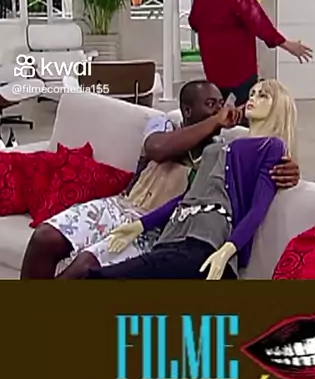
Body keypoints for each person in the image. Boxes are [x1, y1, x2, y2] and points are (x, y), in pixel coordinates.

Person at [20, 80, 300, 279]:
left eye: (220, 104)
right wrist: (215, 122)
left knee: (85, 267)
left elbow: (260, 156)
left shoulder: (222, 146)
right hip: (119, 206)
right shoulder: (164, 125)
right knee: (45, 237)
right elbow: (158, 149)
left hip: (159, 229)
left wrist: (288, 167)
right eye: (210, 104)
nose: (219, 110)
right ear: (187, 111)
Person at [189, 0, 313, 106]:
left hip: (213, 66)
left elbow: (194, 22)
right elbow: (259, 23)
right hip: (240, 68)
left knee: (218, 110)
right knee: (243, 111)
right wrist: (287, 45)